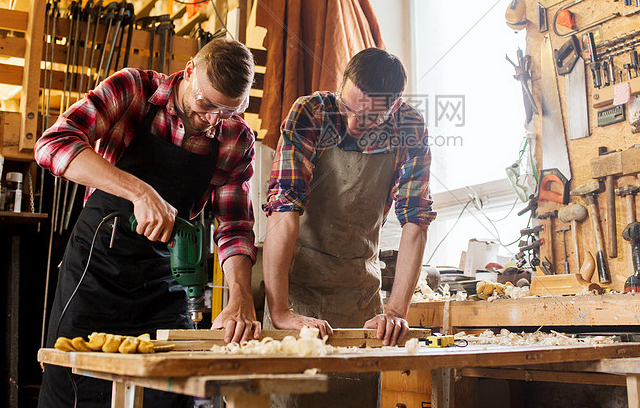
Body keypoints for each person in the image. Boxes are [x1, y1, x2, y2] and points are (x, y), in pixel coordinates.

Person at [36, 38, 261, 408]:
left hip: (163, 284)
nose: (212, 119)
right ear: (189, 71)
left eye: (228, 110)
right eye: (206, 104)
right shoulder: (135, 90)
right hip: (94, 277)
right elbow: (53, 144)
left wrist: (240, 295)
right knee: (74, 391)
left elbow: (234, 225)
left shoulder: (236, 138)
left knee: (173, 394)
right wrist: (139, 192)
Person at [263, 48, 435, 408]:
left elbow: (415, 220)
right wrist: (279, 311)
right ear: (341, 84)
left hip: (359, 292)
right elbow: (283, 208)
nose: (355, 124)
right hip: (298, 290)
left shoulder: (409, 128)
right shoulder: (311, 113)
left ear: (393, 108)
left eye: (371, 118)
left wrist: (396, 311)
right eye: (349, 108)